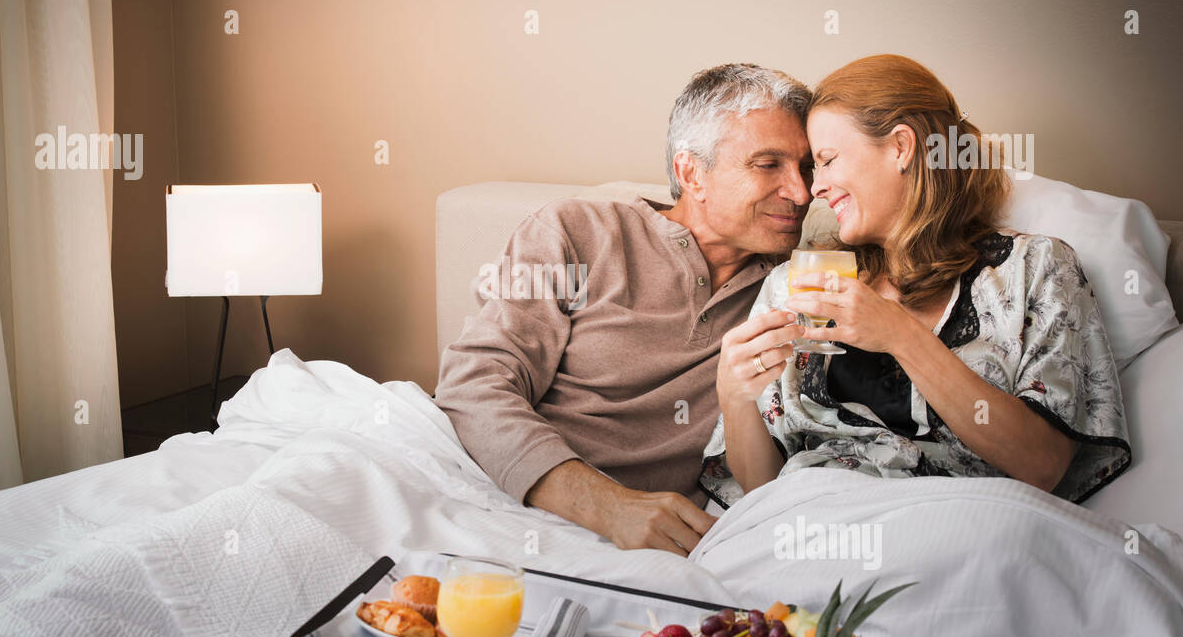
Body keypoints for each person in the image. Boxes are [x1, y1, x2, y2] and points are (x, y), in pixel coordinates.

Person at [703, 54, 1131, 506]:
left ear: (901, 147)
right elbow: (760, 492)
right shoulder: (795, 285)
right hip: (808, 524)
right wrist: (733, 395)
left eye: (827, 160)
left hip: (959, 524)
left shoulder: (1034, 269)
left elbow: (1042, 466)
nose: (815, 189)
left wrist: (899, 335)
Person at [435, 63, 814, 555]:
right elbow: (473, 384)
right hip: (513, 495)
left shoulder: (801, 285)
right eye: (768, 165)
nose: (801, 193)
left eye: (808, 168)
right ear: (691, 173)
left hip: (663, 541)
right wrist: (608, 506)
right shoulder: (575, 231)